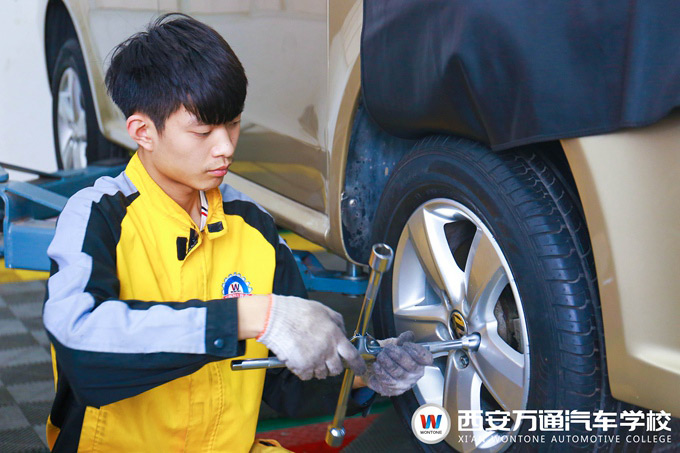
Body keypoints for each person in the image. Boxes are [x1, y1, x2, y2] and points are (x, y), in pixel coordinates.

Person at [42, 13, 432, 453]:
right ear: (143, 132)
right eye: (203, 131)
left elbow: (284, 382)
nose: (226, 147)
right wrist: (252, 317)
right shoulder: (97, 216)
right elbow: (82, 350)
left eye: (232, 123)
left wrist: (362, 376)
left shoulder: (254, 227)